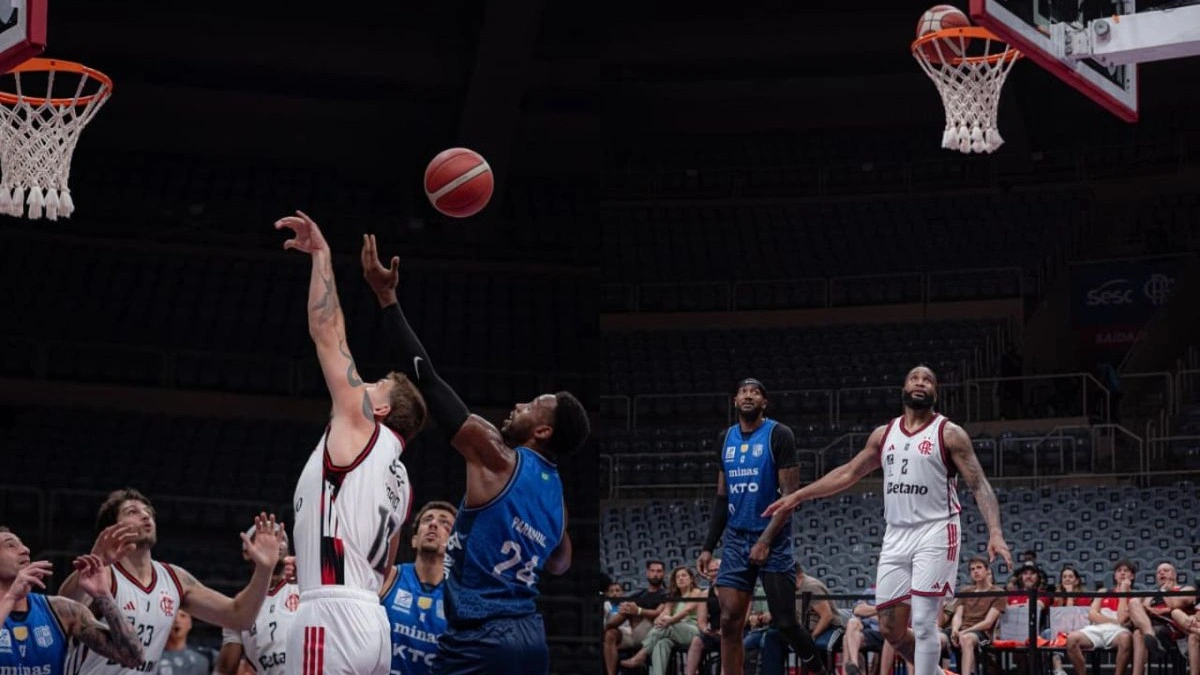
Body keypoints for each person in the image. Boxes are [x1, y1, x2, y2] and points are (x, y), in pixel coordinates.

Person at [360, 234, 589, 674]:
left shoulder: (497, 455)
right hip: (531, 638)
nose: (517, 405)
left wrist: (386, 297)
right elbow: (560, 564)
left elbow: (425, 379)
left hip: (482, 637)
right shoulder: (558, 500)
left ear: (542, 431)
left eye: (530, 406)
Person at [764, 365, 1013, 675]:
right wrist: (798, 495)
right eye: (914, 378)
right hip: (896, 534)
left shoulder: (949, 433)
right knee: (889, 629)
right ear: (904, 388)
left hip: (936, 530)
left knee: (922, 622)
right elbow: (848, 472)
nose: (920, 382)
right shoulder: (884, 434)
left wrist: (995, 532)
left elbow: (979, 484)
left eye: (928, 380)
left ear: (935, 392)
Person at [277, 212, 430, 675]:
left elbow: (328, 334)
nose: (363, 386)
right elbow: (388, 568)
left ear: (380, 411)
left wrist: (321, 256)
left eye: (376, 385)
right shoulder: (401, 480)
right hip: (373, 623)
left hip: (330, 613)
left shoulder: (362, 425)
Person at [57, 491, 283, 675]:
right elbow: (62, 608)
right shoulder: (103, 573)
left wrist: (264, 570)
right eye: (132, 512)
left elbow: (238, 616)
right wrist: (95, 562)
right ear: (112, 528)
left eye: (148, 513)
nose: (146, 516)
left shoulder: (174, 578)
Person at [695, 378, 823, 675]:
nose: (748, 395)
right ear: (735, 401)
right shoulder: (724, 439)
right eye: (742, 391)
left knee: (786, 622)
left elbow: (790, 498)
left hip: (773, 537)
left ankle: (818, 670)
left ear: (764, 402)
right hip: (737, 539)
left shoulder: (779, 434)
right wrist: (707, 546)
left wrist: (765, 541)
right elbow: (721, 497)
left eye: (755, 392)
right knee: (729, 621)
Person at [0, 527, 144, 674]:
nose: (25, 549)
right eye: (10, 545)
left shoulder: (60, 611)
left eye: (22, 544)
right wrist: (10, 597)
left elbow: (133, 657)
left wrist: (103, 594)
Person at [380, 501, 456, 675]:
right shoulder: (389, 578)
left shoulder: (459, 595)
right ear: (414, 540)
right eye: (427, 520)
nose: (434, 524)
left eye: (445, 523)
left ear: (455, 543)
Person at [214, 526, 299, 675]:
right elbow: (225, 669)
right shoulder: (239, 605)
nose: (274, 541)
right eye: (264, 536)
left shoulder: (306, 585)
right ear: (247, 552)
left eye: (280, 537)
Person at [618, 566, 706, 674]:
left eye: (684, 576)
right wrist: (659, 620)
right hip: (673, 629)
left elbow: (686, 610)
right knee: (661, 643)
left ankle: (641, 656)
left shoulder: (696, 592)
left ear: (691, 578)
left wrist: (671, 620)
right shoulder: (673, 596)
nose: (680, 579)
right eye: (677, 577)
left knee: (666, 627)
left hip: (692, 630)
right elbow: (666, 611)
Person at [604, 561, 669, 675]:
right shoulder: (638, 594)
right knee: (610, 634)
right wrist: (627, 609)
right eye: (652, 571)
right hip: (632, 633)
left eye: (659, 571)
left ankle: (606, 626)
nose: (655, 574)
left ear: (664, 574)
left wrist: (638, 611)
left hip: (652, 631)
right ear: (647, 573)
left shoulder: (666, 594)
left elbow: (659, 613)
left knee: (629, 609)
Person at [156, 610, 208, 675]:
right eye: (172, 616)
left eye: (183, 616)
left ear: (190, 623)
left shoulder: (201, 661)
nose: (177, 620)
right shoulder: (152, 658)